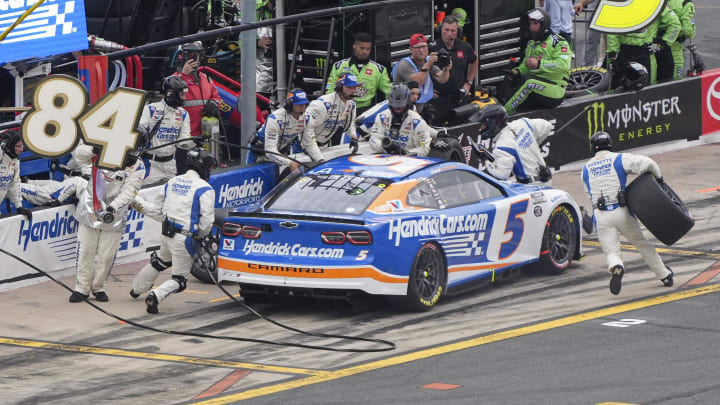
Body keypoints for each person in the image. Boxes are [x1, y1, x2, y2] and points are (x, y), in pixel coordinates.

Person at [581, 131, 674, 295]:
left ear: (592, 148)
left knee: (611, 251)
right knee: (642, 244)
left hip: (601, 214)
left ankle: (616, 266)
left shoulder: (585, 169)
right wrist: (659, 180)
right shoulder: (619, 159)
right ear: (610, 144)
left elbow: (590, 195)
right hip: (621, 211)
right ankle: (664, 275)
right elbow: (649, 164)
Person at [130, 150, 216, 314]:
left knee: (160, 261)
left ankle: (135, 289)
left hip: (166, 233)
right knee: (180, 280)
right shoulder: (205, 188)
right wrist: (202, 235)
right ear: (203, 167)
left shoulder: (172, 181)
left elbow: (157, 206)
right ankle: (155, 296)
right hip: (185, 238)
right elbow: (207, 221)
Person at [69, 149, 145, 303]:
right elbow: (80, 156)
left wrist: (113, 207)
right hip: (90, 209)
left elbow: (130, 191)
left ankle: (98, 287)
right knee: (85, 251)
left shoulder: (138, 165)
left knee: (106, 256)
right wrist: (93, 149)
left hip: (114, 215)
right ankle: (81, 288)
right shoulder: (105, 147)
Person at [504, 8, 571, 115]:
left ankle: (505, 113)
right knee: (512, 82)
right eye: (530, 24)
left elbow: (563, 65)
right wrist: (517, 71)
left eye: (535, 23)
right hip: (537, 88)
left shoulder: (559, 42)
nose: (532, 27)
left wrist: (539, 64)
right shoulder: (532, 44)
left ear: (544, 24)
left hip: (555, 88)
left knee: (529, 83)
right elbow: (525, 65)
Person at [246, 88, 321, 176]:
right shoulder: (275, 118)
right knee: (250, 178)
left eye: (304, 104)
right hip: (258, 154)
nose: (302, 107)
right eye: (299, 104)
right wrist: (290, 163)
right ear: (289, 105)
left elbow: (310, 144)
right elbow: (269, 151)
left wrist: (321, 161)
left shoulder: (307, 118)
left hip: (278, 153)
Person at [173, 41, 223, 172]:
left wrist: (214, 103)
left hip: (206, 136)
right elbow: (172, 98)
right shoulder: (175, 79)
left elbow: (217, 97)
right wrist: (183, 75)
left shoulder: (206, 78)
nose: (195, 60)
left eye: (198, 56)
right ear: (182, 57)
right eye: (191, 56)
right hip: (185, 139)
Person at [477, 104, 554, 185]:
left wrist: (485, 161)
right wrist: (533, 144)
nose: (481, 128)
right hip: (546, 178)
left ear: (493, 123)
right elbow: (547, 126)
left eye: (483, 125)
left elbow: (501, 175)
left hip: (531, 186)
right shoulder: (523, 123)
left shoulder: (502, 146)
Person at [139, 75, 195, 186]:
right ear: (171, 93)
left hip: (170, 165)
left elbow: (182, 143)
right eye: (182, 94)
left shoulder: (183, 114)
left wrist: (194, 141)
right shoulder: (151, 109)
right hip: (150, 164)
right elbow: (138, 132)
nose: (185, 98)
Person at [606, 5, 680, 85]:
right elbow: (613, 27)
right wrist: (612, 52)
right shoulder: (623, 3)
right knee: (618, 90)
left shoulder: (656, 4)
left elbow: (675, 25)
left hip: (645, 53)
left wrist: (661, 45)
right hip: (623, 53)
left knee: (646, 91)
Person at [326, 32, 392, 114]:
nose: (365, 52)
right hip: (342, 109)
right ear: (354, 46)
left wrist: (387, 111)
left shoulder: (379, 70)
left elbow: (389, 92)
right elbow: (330, 90)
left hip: (366, 111)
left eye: (368, 49)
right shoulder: (339, 66)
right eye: (362, 48)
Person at [429, 15, 478, 125]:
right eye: (446, 30)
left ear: (458, 32)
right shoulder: (432, 47)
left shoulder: (465, 47)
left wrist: (469, 83)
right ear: (440, 29)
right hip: (438, 101)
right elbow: (421, 67)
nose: (449, 34)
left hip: (459, 99)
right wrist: (427, 89)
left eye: (453, 30)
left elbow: (474, 61)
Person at [305, 73, 360, 158]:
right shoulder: (323, 103)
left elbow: (350, 123)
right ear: (339, 87)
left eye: (354, 87)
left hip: (323, 146)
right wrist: (308, 146)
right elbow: (304, 125)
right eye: (349, 87)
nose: (353, 91)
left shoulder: (352, 105)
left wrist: (353, 137)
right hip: (304, 146)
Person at [369, 84, 433, 157]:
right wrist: (386, 147)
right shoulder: (382, 117)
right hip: (385, 157)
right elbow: (373, 140)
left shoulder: (417, 121)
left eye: (401, 107)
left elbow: (424, 148)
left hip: (408, 160)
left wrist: (405, 153)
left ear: (407, 104)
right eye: (395, 107)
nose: (398, 110)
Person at [392, 33, 450, 113]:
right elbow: (417, 82)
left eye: (423, 46)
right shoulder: (404, 64)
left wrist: (446, 68)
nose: (421, 50)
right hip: (402, 109)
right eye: (418, 47)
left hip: (419, 108)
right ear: (411, 49)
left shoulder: (427, 60)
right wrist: (428, 64)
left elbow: (442, 79)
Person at [356, 80, 422, 138]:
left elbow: (418, 125)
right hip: (361, 135)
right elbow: (361, 121)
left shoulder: (413, 108)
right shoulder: (389, 105)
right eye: (412, 93)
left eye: (417, 94)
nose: (415, 97)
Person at [0, 130, 32, 219]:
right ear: (8, 147)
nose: (22, 149)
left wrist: (19, 207)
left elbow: (15, 183)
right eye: (18, 146)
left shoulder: (15, 160)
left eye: (22, 146)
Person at [667, 0, 696, 78]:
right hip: (676, 44)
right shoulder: (686, 3)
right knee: (677, 76)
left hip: (658, 44)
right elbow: (688, 31)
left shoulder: (660, 3)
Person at [21, 176, 87, 207]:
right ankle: (17, 186)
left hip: (62, 185)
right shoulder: (92, 192)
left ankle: (29, 182)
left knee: (50, 185)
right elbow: (74, 185)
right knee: (37, 192)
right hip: (57, 194)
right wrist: (59, 200)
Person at [573, 0, 602, 67]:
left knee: (611, 41)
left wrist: (582, 3)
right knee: (592, 40)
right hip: (596, 10)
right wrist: (582, 3)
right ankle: (587, 69)